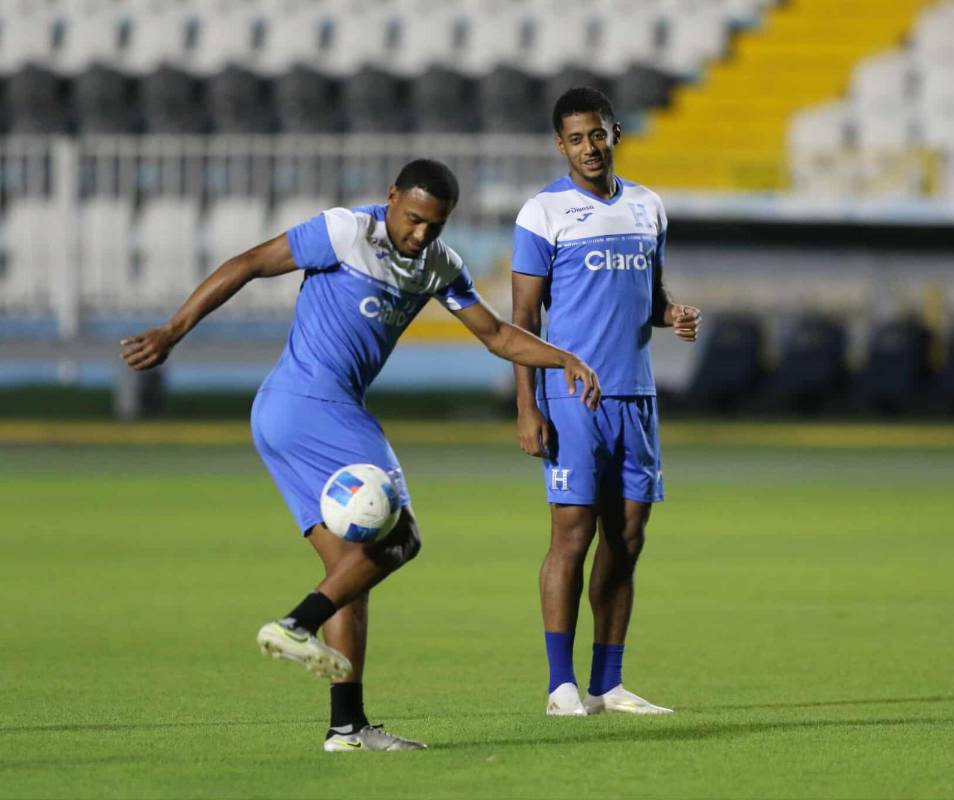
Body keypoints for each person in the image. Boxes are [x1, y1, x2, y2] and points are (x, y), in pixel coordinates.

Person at [121, 159, 601, 751]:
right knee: (403, 538)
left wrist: (565, 358)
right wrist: (173, 330)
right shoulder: (346, 232)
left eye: (436, 224)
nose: (421, 234)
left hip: (281, 416)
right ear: (391, 196)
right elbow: (249, 264)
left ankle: (347, 727)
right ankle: (296, 624)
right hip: (313, 406)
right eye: (413, 218)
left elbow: (498, 336)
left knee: (352, 571)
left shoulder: (439, 266)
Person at [510, 88, 702, 716]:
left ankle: (607, 684)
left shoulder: (648, 206)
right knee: (572, 534)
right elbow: (522, 317)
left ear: (614, 133)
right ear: (559, 145)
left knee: (628, 537)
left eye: (596, 135)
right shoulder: (544, 213)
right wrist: (527, 405)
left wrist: (671, 314)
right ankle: (559, 685)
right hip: (570, 398)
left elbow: (651, 295)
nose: (588, 148)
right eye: (574, 139)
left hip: (637, 395)